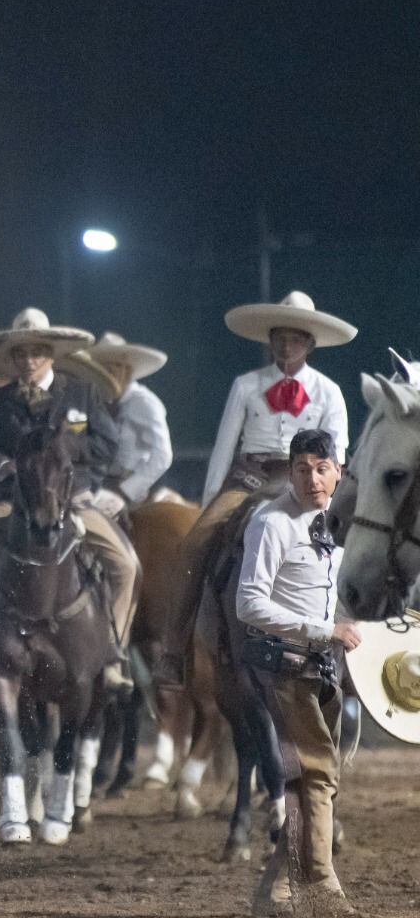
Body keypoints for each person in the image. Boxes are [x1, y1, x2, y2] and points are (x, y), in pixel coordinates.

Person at [0, 308, 139, 691]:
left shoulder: (81, 392)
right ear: (12, 358)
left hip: (71, 497)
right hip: (12, 500)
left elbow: (107, 442)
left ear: (51, 354)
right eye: (21, 354)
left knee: (125, 563)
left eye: (36, 353)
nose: (28, 361)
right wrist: (3, 467)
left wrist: (67, 454)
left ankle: (113, 653)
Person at [160, 291, 356, 683]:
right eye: (280, 337)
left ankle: (350, 655)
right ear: (270, 341)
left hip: (306, 478)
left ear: (310, 343)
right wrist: (212, 497)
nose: (287, 345)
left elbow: (339, 451)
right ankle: (174, 651)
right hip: (249, 476)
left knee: (348, 550)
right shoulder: (246, 384)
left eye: (296, 338)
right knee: (195, 543)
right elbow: (224, 445)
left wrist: (333, 498)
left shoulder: (328, 391)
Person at [236, 429, 360, 918]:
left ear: (339, 471)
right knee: (318, 771)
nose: (312, 478)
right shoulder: (269, 524)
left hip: (323, 663)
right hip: (283, 663)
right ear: (289, 472)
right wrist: (322, 628)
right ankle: (323, 883)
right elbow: (248, 602)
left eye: (321, 468)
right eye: (302, 469)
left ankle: (276, 890)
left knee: (308, 776)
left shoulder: (342, 523)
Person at [87, 332, 174, 506]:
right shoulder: (93, 402)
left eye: (116, 368)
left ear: (128, 371)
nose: (109, 376)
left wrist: (128, 489)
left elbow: (163, 455)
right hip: (98, 482)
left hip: (134, 486)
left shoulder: (144, 403)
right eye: (104, 370)